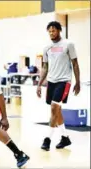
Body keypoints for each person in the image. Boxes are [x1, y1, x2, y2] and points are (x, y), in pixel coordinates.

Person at [37, 21, 80, 151]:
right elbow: (45, 67)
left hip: (64, 81)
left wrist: (78, 82)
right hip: (52, 81)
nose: (51, 33)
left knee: (54, 108)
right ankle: (65, 137)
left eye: (54, 30)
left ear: (59, 30)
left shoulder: (68, 44)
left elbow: (75, 64)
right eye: (49, 31)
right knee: (57, 110)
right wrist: (39, 84)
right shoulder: (46, 48)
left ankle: (47, 139)